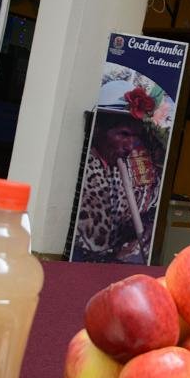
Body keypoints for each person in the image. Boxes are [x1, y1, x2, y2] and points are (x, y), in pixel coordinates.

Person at [72, 81, 163, 263]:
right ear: (98, 130)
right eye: (123, 134)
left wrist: (143, 229)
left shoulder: (118, 166)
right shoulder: (82, 170)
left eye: (134, 136)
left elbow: (122, 224)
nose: (130, 146)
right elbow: (91, 244)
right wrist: (116, 258)